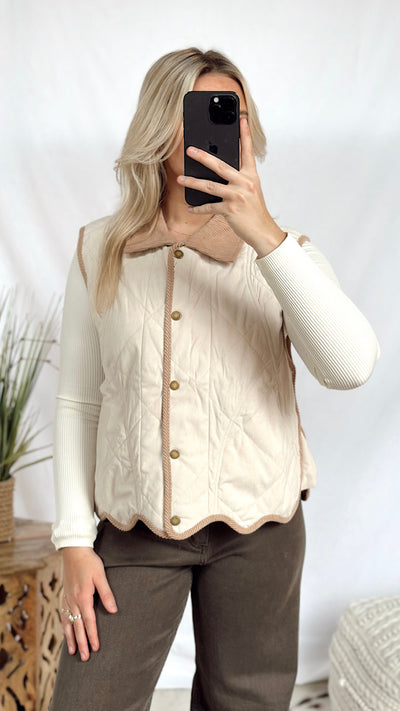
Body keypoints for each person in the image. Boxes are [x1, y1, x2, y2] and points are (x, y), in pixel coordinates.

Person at [49, 47, 379, 711]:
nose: (221, 127)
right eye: (197, 112)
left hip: (262, 531)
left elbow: (350, 367)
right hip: (135, 527)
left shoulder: (284, 253)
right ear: (158, 128)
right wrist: (74, 542)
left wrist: (263, 235)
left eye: (233, 113)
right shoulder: (101, 248)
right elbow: (80, 400)